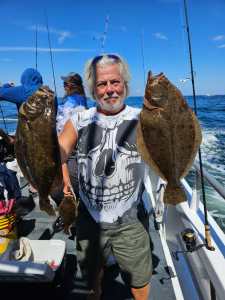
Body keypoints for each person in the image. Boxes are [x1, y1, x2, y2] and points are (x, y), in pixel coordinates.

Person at [58, 54, 152, 300]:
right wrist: (61, 170)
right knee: (91, 277)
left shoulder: (143, 118)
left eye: (115, 82)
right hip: (89, 217)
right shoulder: (78, 120)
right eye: (102, 84)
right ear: (92, 89)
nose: (109, 89)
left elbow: (171, 143)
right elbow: (60, 151)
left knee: (139, 281)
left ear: (125, 84)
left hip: (130, 219)